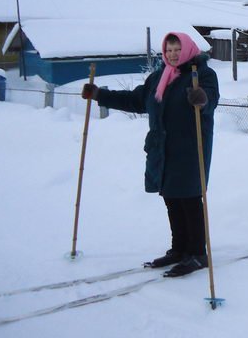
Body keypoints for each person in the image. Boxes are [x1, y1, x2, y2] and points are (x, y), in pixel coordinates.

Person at [81, 32, 220, 277]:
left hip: (189, 148)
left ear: (187, 49)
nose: (173, 55)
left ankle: (197, 253)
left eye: (177, 50)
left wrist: (201, 99)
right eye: (169, 51)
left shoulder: (202, 75)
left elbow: (209, 100)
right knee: (171, 198)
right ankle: (179, 249)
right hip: (161, 148)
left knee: (189, 199)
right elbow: (136, 100)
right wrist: (100, 95)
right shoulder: (158, 78)